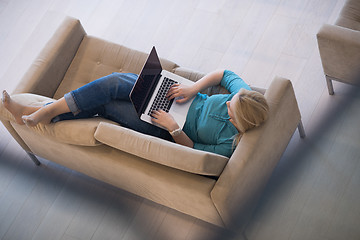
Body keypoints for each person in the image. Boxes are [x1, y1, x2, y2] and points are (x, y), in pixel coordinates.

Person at [2, 69, 269, 157]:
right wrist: (194, 88)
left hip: (164, 127)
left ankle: (40, 112)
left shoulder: (228, 145)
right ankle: (45, 112)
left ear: (238, 122)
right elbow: (226, 74)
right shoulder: (244, 97)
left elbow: (195, 148)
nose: (226, 103)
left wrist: (172, 127)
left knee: (107, 103)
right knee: (118, 81)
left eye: (229, 108)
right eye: (229, 101)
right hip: (177, 98)